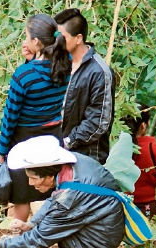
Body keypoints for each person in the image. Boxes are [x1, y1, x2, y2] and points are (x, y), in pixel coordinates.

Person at [0, 14, 71, 222]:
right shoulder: (66, 66)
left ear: (36, 42)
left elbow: (10, 117)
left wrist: (2, 149)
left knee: (21, 197)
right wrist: (32, 58)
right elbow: (44, 72)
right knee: (50, 189)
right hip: (52, 136)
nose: (25, 40)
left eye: (27, 36)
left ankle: (18, 242)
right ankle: (54, 235)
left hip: (23, 140)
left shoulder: (23, 75)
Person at [54, 8, 115, 165]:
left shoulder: (99, 71)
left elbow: (98, 120)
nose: (58, 42)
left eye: (62, 38)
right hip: (58, 152)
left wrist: (68, 142)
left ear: (78, 38)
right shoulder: (60, 63)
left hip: (87, 158)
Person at [121, 104, 156, 217]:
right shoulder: (152, 148)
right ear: (143, 126)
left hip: (124, 205)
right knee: (149, 232)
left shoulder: (117, 147)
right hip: (149, 206)